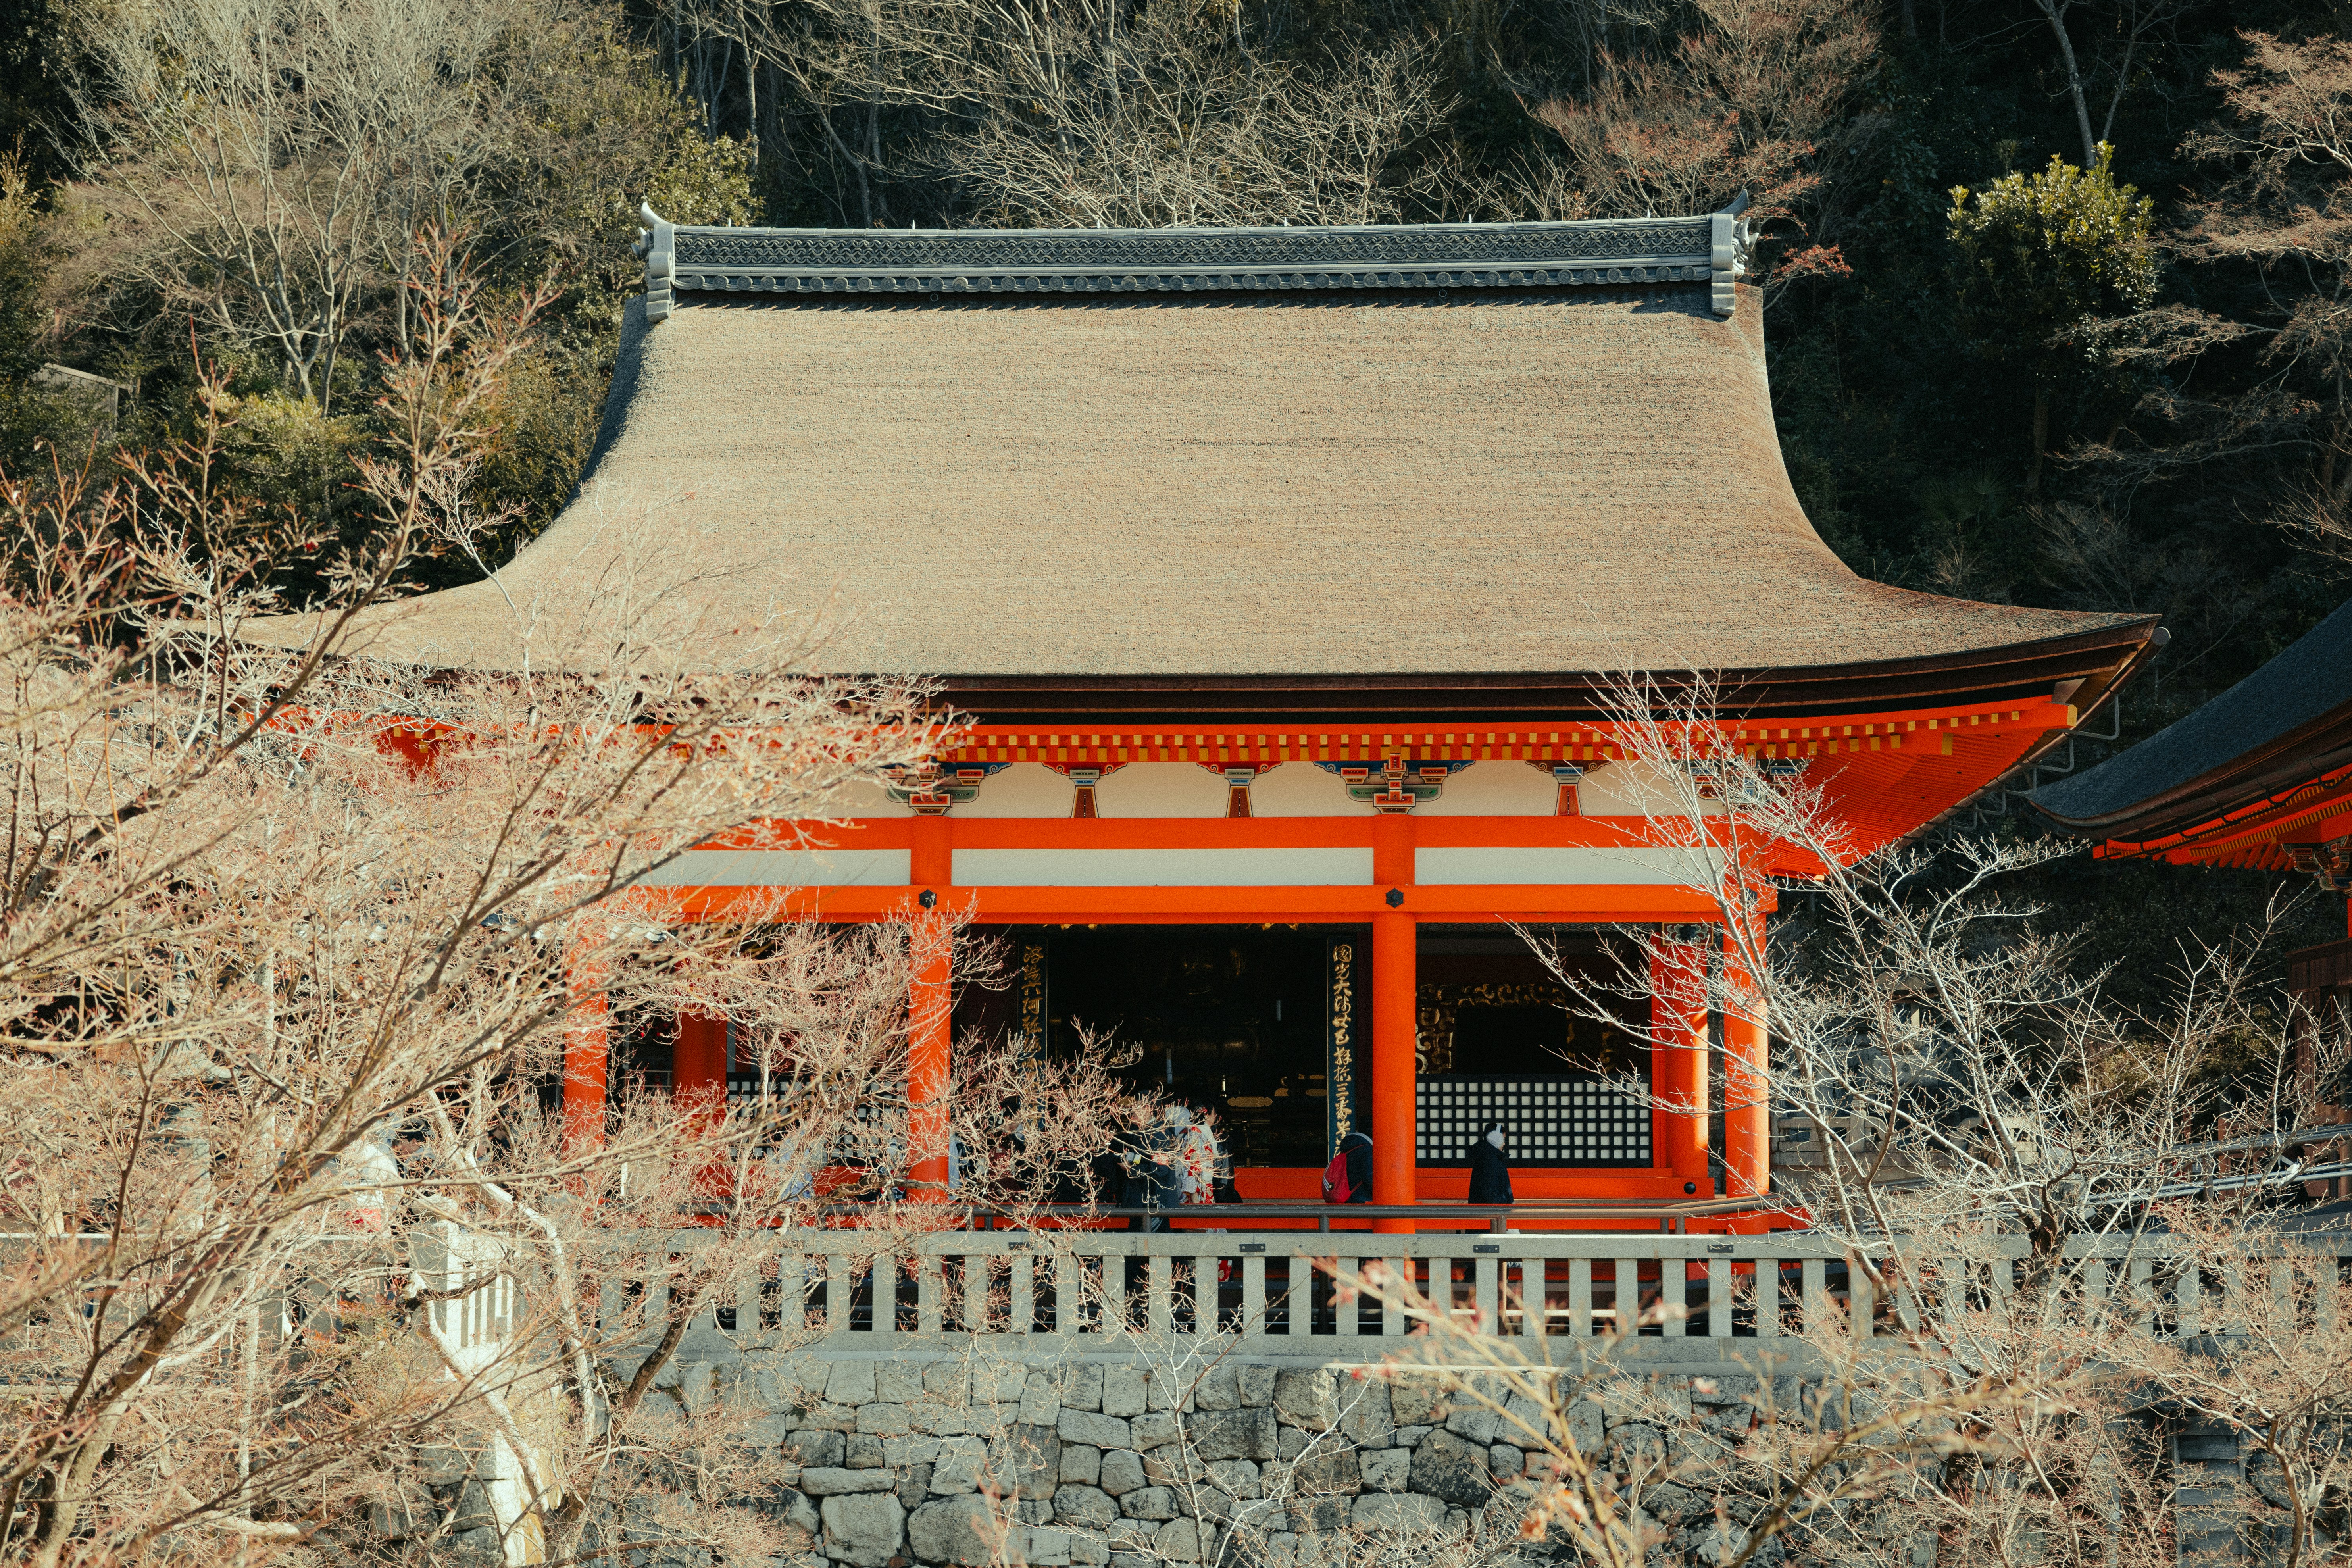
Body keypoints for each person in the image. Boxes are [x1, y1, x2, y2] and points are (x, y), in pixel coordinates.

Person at [1467, 1120, 1514, 1205]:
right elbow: (1490, 1193)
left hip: (1489, 1210)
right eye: (1503, 1139)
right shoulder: (1490, 1160)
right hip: (1491, 1211)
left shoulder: (1487, 1157)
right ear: (1495, 1138)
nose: (1504, 1143)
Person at [1323, 1130, 1374, 1204]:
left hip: (1346, 1200)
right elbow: (1370, 1177)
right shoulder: (1368, 1151)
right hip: (1362, 1202)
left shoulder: (1347, 1152)